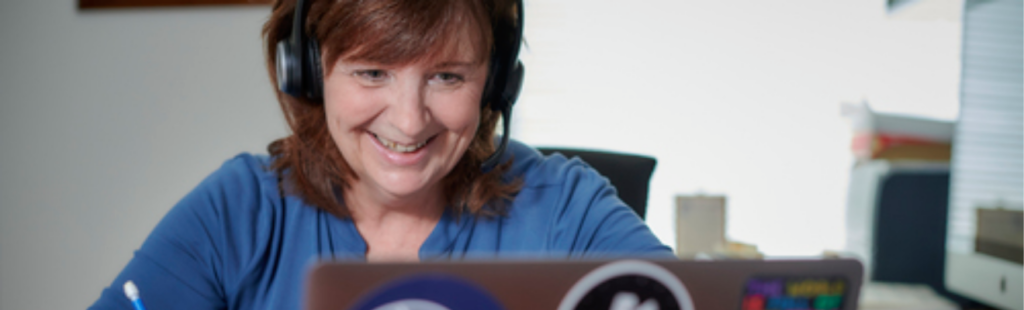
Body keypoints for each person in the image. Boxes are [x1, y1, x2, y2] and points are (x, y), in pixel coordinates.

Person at [89, 0, 672, 308]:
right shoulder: (238, 210)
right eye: (372, 72)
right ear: (309, 72)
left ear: (495, 84)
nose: (409, 120)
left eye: (447, 76)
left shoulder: (567, 208)